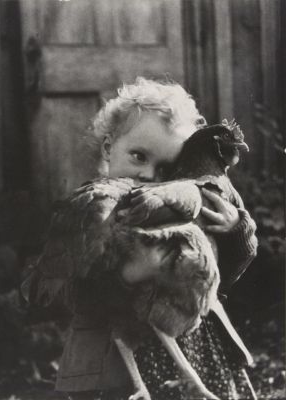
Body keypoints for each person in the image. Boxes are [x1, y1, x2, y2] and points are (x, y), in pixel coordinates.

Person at [53, 77, 258, 400]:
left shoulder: (181, 206)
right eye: (138, 156)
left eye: (167, 167)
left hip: (192, 341)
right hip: (117, 350)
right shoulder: (94, 208)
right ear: (109, 148)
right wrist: (126, 274)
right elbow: (71, 289)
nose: (149, 175)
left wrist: (236, 229)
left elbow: (224, 274)